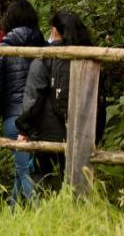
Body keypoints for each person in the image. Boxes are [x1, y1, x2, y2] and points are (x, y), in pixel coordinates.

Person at [17, 11, 94, 192]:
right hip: (82, 130)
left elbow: (33, 97)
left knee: (47, 181)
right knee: (79, 182)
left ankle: (49, 215)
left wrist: (24, 128)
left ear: (54, 31)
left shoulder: (45, 58)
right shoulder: (90, 57)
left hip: (48, 132)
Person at [0, 0, 46, 204]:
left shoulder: (3, 49)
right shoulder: (45, 46)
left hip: (14, 116)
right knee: (22, 167)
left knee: (24, 170)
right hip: (40, 116)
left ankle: (42, 215)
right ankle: (12, 212)